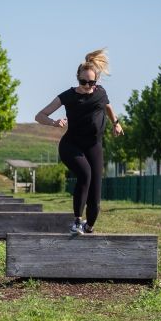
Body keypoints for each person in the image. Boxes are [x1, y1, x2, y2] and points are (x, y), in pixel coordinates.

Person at [35, 49, 123, 235]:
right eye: (84, 82)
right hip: (71, 145)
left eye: (92, 83)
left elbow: (108, 107)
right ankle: (76, 221)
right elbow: (39, 115)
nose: (88, 86)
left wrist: (116, 123)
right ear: (78, 78)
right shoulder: (68, 96)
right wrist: (54, 122)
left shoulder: (101, 93)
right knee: (85, 174)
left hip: (94, 146)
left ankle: (89, 226)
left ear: (96, 81)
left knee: (95, 198)